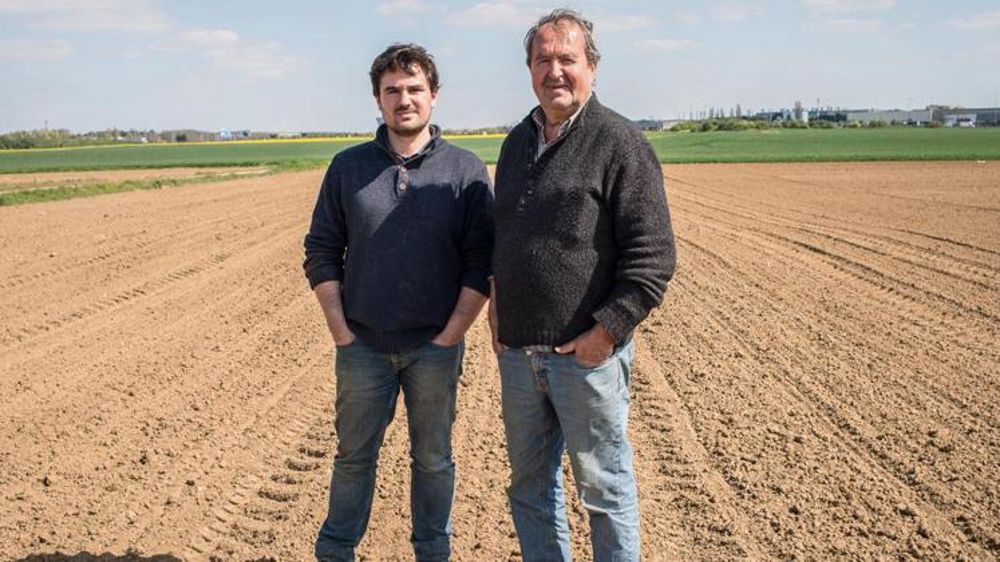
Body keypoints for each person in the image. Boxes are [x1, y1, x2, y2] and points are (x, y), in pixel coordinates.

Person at [488, 9, 676, 561]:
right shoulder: (516, 143)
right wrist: (498, 309)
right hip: (519, 357)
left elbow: (653, 257)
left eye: (566, 59)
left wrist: (605, 334)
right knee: (530, 490)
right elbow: (503, 236)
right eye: (542, 59)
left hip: (585, 359)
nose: (554, 71)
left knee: (604, 491)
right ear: (529, 69)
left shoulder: (619, 142)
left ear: (591, 66)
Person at [303, 43, 493, 562]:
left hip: (434, 349)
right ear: (378, 100)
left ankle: (433, 553)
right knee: (352, 459)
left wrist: (450, 336)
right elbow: (321, 250)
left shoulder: (465, 170)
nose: (404, 100)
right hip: (362, 346)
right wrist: (342, 333)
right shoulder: (348, 167)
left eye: (414, 89)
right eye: (392, 91)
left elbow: (481, 260)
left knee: (433, 461)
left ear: (434, 95)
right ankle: (335, 552)